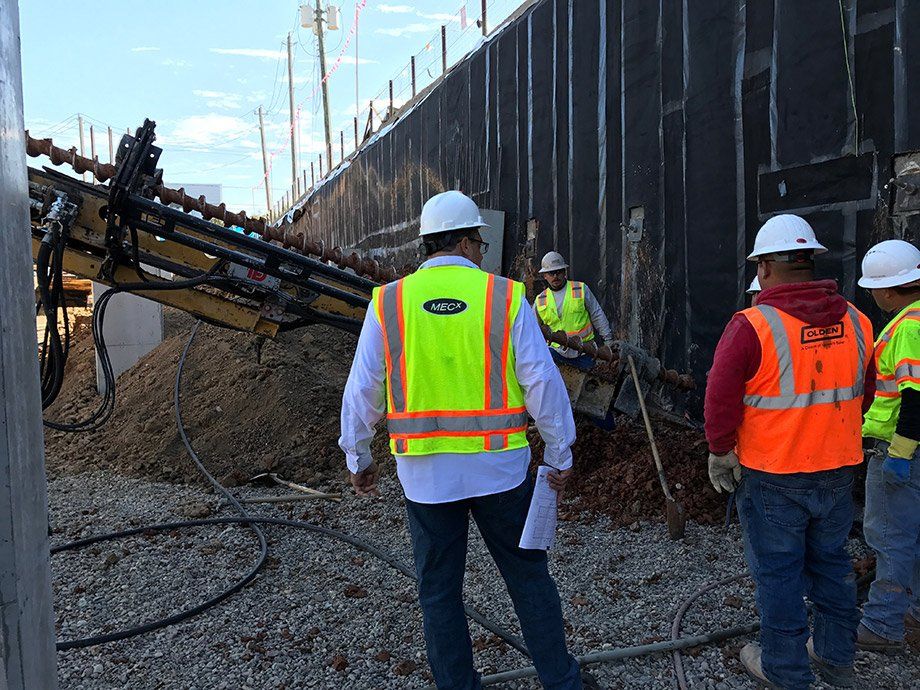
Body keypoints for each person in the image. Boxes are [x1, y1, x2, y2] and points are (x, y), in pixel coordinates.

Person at [339, 190, 592, 690]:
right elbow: (541, 381)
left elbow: (363, 384)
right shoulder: (503, 297)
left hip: (426, 480)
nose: (480, 250)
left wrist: (357, 454)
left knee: (439, 594)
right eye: (478, 240)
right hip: (501, 472)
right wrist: (560, 453)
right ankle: (562, 683)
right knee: (528, 580)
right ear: (465, 241)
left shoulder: (388, 303)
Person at [704, 214, 875, 689]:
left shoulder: (752, 325)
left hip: (773, 475)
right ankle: (836, 658)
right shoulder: (859, 322)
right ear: (812, 261)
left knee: (779, 577)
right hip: (838, 470)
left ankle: (785, 670)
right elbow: (867, 393)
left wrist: (720, 450)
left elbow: (719, 397)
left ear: (763, 270)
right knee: (833, 564)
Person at [855, 239, 920, 654]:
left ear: (886, 289)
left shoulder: (908, 327)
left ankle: (882, 624)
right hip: (909, 447)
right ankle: (912, 615)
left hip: (902, 450)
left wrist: (899, 452)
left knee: (889, 535)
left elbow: (915, 397)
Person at [533, 251, 614, 371]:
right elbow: (532, 328)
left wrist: (608, 340)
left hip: (584, 351)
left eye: (559, 271)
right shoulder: (540, 300)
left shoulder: (580, 289)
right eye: (551, 273)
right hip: (556, 353)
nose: (555, 276)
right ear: (545, 275)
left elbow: (597, 314)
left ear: (565, 272)